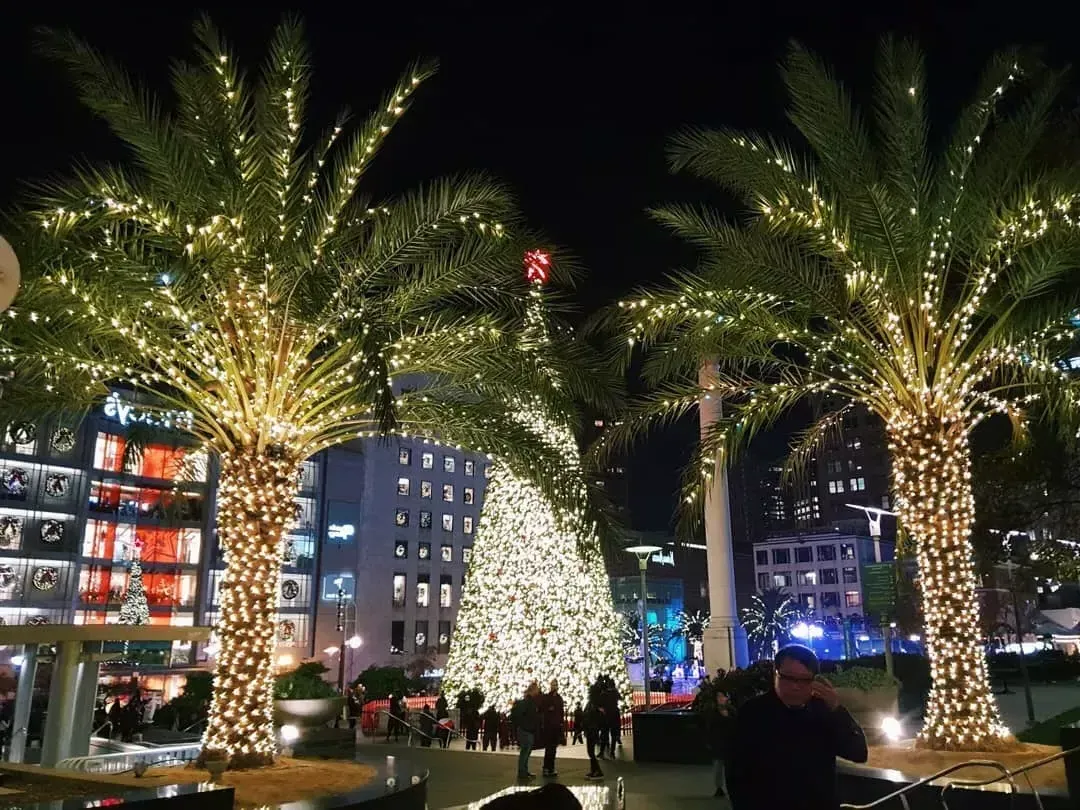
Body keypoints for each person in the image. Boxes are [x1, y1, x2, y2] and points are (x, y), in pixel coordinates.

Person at [727, 645, 868, 810]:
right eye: (788, 678)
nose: (795, 686)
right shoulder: (753, 713)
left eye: (804, 680)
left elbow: (858, 753)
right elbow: (736, 773)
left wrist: (838, 710)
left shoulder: (822, 711)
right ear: (776, 674)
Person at [706, 689, 734, 798]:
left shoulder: (731, 711)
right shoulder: (713, 712)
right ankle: (719, 787)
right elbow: (710, 727)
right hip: (718, 743)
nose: (720, 699)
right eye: (718, 697)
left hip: (729, 744)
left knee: (729, 768)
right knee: (718, 767)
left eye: (722, 696)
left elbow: (735, 725)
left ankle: (730, 787)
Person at [510, 681, 540, 780]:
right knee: (525, 752)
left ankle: (524, 771)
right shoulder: (527, 702)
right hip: (526, 730)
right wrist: (525, 725)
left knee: (526, 752)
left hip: (527, 729)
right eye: (537, 689)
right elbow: (521, 715)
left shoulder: (530, 701)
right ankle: (522, 773)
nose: (538, 691)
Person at [539, 679, 565, 778]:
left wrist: (561, 725)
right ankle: (546, 767)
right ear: (551, 686)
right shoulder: (546, 698)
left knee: (553, 749)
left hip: (556, 727)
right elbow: (541, 709)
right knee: (549, 749)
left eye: (556, 685)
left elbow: (561, 713)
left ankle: (551, 767)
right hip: (548, 727)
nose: (554, 687)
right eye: (553, 685)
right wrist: (548, 710)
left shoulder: (559, 698)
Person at [582, 683, 605, 781]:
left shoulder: (594, 705)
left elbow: (593, 717)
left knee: (590, 752)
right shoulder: (592, 704)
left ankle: (598, 771)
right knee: (590, 751)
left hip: (592, 730)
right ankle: (594, 770)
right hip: (591, 729)